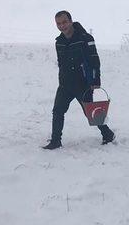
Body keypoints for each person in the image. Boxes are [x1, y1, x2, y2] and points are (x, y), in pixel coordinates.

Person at [42, 11, 115, 149]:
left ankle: (108, 134)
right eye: (58, 23)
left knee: (90, 112)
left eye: (64, 22)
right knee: (58, 111)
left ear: (70, 21)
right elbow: (61, 62)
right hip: (64, 84)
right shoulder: (59, 42)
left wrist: (95, 81)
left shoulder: (85, 38)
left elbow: (94, 60)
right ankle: (55, 141)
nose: (62, 26)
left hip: (83, 84)